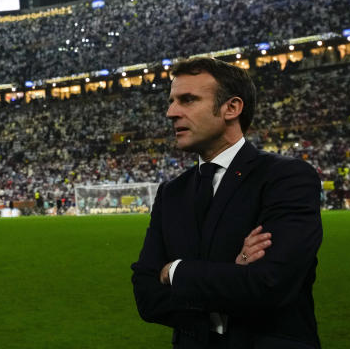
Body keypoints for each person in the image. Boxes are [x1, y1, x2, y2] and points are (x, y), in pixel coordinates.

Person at [131, 57, 323, 348]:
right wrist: (233, 277)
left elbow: (270, 283)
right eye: (172, 101)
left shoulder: (286, 178)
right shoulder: (171, 193)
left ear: (231, 108)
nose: (171, 112)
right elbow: (146, 296)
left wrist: (175, 271)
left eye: (188, 100)